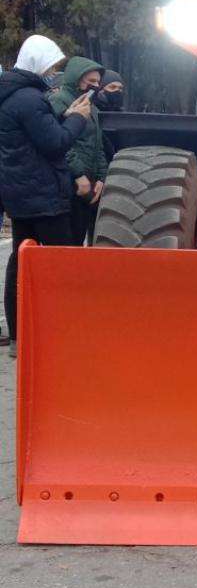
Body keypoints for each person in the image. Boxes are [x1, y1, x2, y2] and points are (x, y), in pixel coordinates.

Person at [0, 35, 92, 355]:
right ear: (38, 63)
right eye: (51, 67)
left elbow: (35, 136)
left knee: (20, 262)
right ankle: (68, 331)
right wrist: (78, 119)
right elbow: (55, 143)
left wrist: (64, 118)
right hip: (43, 194)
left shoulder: (10, 95)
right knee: (61, 262)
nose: (53, 74)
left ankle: (19, 335)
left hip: (18, 193)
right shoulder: (29, 99)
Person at [49, 55, 108, 245]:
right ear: (77, 78)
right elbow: (59, 142)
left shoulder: (92, 108)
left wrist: (101, 177)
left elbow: (98, 145)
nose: (95, 86)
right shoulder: (58, 101)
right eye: (91, 80)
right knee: (66, 243)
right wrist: (78, 174)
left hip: (88, 185)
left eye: (98, 82)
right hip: (67, 183)